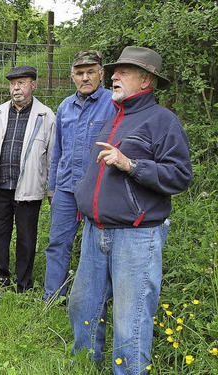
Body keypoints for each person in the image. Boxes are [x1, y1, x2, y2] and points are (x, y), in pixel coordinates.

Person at [70, 46, 192, 374]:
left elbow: (180, 175)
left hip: (136, 237)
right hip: (96, 232)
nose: (113, 76)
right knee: (83, 309)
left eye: (124, 71)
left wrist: (131, 164)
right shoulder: (114, 118)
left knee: (130, 321)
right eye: (115, 70)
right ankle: (84, 367)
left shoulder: (162, 120)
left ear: (146, 79)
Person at [42, 50, 116, 301]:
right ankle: (53, 297)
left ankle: (94, 299)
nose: (85, 77)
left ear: (101, 73)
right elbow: (57, 151)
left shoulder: (113, 103)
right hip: (65, 189)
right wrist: (52, 188)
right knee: (57, 244)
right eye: (79, 73)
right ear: (72, 76)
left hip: (100, 189)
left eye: (90, 72)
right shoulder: (65, 106)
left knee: (98, 247)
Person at [0, 66, 55, 293]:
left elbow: (52, 156)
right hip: (1, 186)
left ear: (34, 84)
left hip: (28, 188)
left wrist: (51, 190)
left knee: (26, 238)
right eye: (13, 84)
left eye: (21, 83)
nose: (16, 88)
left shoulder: (46, 115)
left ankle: (23, 284)